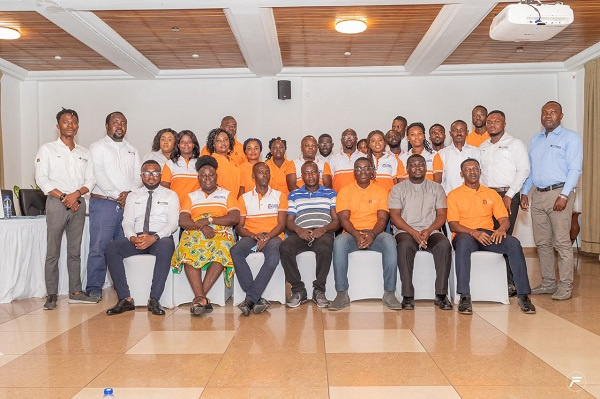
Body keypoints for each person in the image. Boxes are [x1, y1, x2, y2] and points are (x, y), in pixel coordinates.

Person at [447, 158, 535, 315]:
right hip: (465, 234)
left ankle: (523, 295)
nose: (472, 172)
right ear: (461, 174)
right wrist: (473, 232)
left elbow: (504, 219)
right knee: (463, 245)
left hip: (488, 235)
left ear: (480, 171)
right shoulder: (454, 195)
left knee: (513, 243)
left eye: (475, 168)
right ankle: (465, 296)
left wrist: (501, 229)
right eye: (468, 170)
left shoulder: (491, 194)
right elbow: (453, 224)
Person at [35, 108, 97, 310]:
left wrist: (75, 195)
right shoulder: (47, 150)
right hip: (56, 202)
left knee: (75, 251)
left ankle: (75, 292)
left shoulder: (84, 152)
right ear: (58, 126)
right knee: (53, 251)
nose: (70, 125)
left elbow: (91, 180)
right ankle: (51, 295)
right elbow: (41, 179)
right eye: (66, 121)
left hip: (78, 203)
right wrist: (64, 196)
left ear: (78, 126)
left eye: (74, 122)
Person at [521, 101, 583, 301]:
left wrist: (564, 195)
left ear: (561, 115)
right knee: (542, 243)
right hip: (537, 195)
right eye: (544, 112)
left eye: (553, 112)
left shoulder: (570, 138)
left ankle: (565, 286)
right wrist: (524, 192)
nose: (548, 115)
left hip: (559, 194)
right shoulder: (536, 140)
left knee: (562, 243)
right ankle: (548, 283)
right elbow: (532, 170)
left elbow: (575, 169)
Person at [105, 160, 179, 315]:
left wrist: (154, 237)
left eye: (155, 173)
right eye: (147, 173)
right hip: (137, 238)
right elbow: (127, 221)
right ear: (141, 176)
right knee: (112, 248)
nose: (151, 176)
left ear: (160, 175)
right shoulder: (133, 196)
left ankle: (154, 299)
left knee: (166, 247)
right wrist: (132, 238)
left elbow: (173, 224)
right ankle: (125, 299)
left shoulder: (171, 195)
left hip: (160, 238)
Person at [329, 157, 402, 311]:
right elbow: (343, 219)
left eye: (366, 168)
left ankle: (389, 293)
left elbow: (383, 218)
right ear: (354, 172)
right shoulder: (345, 191)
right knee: (339, 242)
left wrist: (372, 235)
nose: (363, 171)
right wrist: (356, 235)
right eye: (359, 168)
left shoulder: (381, 191)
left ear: (372, 171)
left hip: (375, 233)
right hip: (351, 233)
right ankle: (342, 293)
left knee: (389, 240)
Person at [171, 155, 240, 316]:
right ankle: (201, 298)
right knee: (187, 249)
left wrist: (209, 220)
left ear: (216, 176)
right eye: (203, 175)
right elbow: (183, 220)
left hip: (221, 231)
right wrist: (201, 227)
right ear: (198, 178)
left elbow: (234, 218)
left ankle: (198, 298)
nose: (207, 178)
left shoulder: (227, 195)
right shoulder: (191, 196)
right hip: (195, 230)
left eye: (211, 175)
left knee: (222, 250)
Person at [86, 111, 142, 301]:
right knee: (99, 247)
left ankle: (123, 290)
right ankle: (94, 287)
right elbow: (99, 174)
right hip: (104, 203)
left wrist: (129, 194)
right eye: (115, 122)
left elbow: (137, 176)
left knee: (123, 247)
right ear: (107, 125)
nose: (120, 126)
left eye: (123, 123)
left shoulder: (132, 149)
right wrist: (118, 195)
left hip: (127, 205)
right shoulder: (96, 147)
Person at [389, 154, 452, 310]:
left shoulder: (437, 188)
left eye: (421, 165)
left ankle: (441, 295)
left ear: (426, 167)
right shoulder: (397, 189)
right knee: (404, 247)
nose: (417, 168)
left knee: (444, 244)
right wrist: (413, 232)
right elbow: (395, 216)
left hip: (431, 230)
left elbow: (442, 215)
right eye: (413, 165)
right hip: (405, 230)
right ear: (407, 169)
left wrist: (428, 230)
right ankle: (408, 296)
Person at [479, 110, 530, 296]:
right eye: (489, 121)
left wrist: (510, 194)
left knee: (504, 237)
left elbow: (523, 170)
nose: (492, 124)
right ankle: (494, 281)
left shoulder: (514, 144)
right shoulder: (483, 146)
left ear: (504, 124)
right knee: (489, 238)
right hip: (487, 198)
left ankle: (511, 283)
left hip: (507, 195)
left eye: (497, 121)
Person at [280, 162, 339, 308]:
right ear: (302, 176)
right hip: (302, 231)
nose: (310, 175)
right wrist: (299, 230)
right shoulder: (294, 195)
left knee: (325, 247)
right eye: (306, 173)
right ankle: (298, 290)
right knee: (284, 247)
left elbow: (337, 221)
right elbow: (289, 221)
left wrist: (323, 229)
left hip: (322, 231)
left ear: (318, 174)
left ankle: (319, 290)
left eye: (313, 172)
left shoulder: (330, 193)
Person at [231, 162, 287, 316]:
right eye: (261, 172)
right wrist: (253, 235)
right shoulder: (244, 198)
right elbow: (239, 227)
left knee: (274, 256)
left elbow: (281, 225)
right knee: (235, 250)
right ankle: (256, 298)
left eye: (267, 172)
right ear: (253, 176)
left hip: (273, 236)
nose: (265, 175)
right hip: (252, 236)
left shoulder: (279, 195)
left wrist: (267, 237)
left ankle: (250, 299)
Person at [437, 120, 480, 194]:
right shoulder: (442, 154)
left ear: (467, 132)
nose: (459, 133)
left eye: (462, 130)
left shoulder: (476, 152)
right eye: (455, 130)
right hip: (450, 197)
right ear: (450, 133)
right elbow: (441, 181)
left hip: (473, 196)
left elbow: (480, 176)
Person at [160, 130, 201, 205]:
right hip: (175, 207)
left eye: (189, 142)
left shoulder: (201, 163)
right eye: (182, 142)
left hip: (196, 206)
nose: (186, 144)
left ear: (193, 145)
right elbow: (164, 188)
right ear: (178, 145)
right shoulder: (170, 164)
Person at [205, 128, 242, 197]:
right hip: (218, 202)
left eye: (226, 139)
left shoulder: (235, 163)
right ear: (213, 144)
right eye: (219, 140)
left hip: (234, 203)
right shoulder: (210, 162)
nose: (223, 143)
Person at [329, 128, 362, 193]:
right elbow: (329, 183)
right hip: (340, 199)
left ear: (356, 140)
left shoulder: (364, 157)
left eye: (352, 136)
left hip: (360, 199)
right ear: (341, 140)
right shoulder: (334, 159)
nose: (349, 139)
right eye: (345, 137)